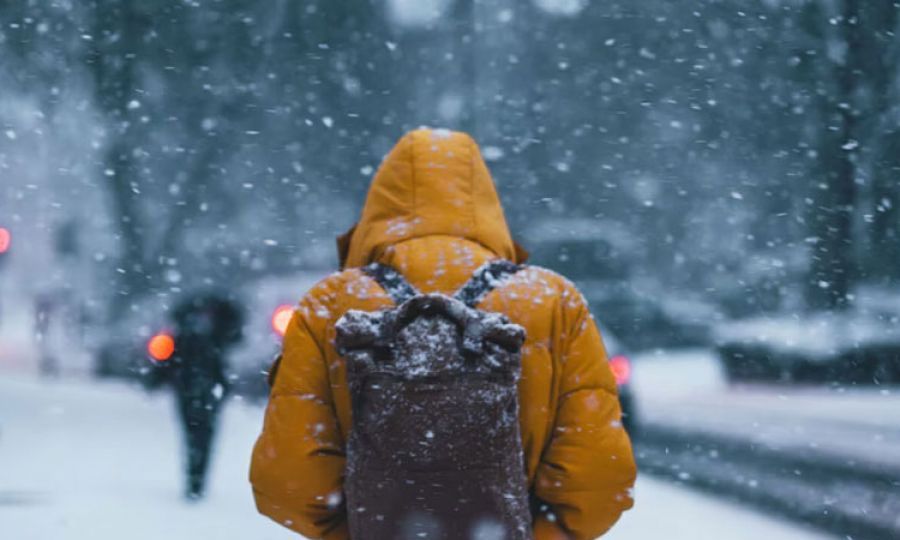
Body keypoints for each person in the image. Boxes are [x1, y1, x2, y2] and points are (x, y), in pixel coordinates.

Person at [250, 128, 637, 539]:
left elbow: (286, 482)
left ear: (379, 205)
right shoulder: (553, 301)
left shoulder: (330, 304)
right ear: (486, 204)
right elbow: (599, 482)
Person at [154, 291, 243, 500]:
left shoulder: (188, 333)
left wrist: (159, 378)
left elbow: (168, 361)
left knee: (193, 435)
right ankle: (197, 479)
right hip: (205, 390)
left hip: (192, 389)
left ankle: (194, 479)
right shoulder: (217, 334)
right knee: (203, 436)